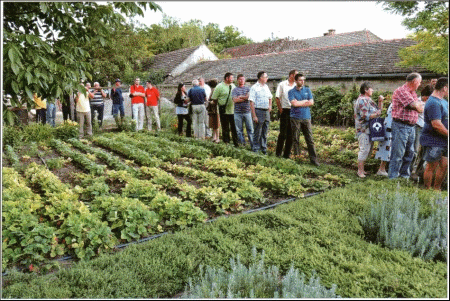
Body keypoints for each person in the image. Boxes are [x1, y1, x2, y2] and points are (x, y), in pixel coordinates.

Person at [388, 72, 424, 179]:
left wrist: (418, 106)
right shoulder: (401, 91)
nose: (420, 84)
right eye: (420, 82)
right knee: (398, 153)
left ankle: (404, 176)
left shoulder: (413, 93)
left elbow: (420, 108)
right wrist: (417, 106)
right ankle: (393, 177)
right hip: (400, 125)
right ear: (414, 81)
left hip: (411, 126)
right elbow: (414, 106)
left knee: (410, 153)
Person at [420, 77, 448, 190]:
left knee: (445, 165)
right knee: (431, 165)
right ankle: (428, 190)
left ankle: (437, 189)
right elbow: (436, 124)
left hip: (444, 140)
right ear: (445, 88)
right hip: (433, 140)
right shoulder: (433, 102)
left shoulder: (444, 101)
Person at [289, 73, 320, 166]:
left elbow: (311, 102)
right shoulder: (291, 91)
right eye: (300, 80)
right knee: (295, 139)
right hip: (295, 118)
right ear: (295, 81)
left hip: (306, 117)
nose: (302, 82)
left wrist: (299, 102)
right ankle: (297, 158)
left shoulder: (307, 90)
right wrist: (304, 102)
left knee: (310, 139)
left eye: (303, 80)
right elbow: (294, 104)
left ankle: (313, 160)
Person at [411, 85, 433, 178]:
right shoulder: (417, 101)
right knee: (415, 150)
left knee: (424, 152)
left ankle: (419, 171)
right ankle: (411, 170)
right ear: (425, 96)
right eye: (428, 97)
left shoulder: (430, 103)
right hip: (418, 127)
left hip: (427, 129)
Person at [275, 69, 298, 158]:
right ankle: (278, 153)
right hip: (285, 110)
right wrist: (280, 110)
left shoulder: (297, 86)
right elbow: (277, 98)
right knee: (283, 134)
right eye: (296, 75)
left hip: (294, 111)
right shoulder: (282, 84)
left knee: (291, 134)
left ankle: (286, 155)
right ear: (291, 75)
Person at [212, 72, 238, 146]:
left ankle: (236, 142)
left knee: (234, 127)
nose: (233, 79)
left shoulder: (233, 86)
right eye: (231, 78)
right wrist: (221, 104)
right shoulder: (219, 86)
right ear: (227, 78)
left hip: (232, 110)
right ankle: (226, 142)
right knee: (225, 127)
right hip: (223, 110)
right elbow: (214, 99)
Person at [249, 71, 272, 154]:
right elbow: (251, 102)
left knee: (265, 131)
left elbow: (270, 97)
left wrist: (270, 106)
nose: (267, 78)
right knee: (257, 131)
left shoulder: (266, 87)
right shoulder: (254, 87)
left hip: (266, 111)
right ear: (261, 78)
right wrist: (254, 115)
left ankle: (263, 148)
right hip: (258, 110)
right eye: (266, 77)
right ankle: (255, 148)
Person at [232, 74, 253, 148]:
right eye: (240, 79)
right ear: (237, 80)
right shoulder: (235, 89)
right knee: (239, 130)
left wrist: (240, 97)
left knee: (250, 129)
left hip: (247, 112)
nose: (242, 81)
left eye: (243, 79)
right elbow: (235, 100)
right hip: (238, 113)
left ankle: (252, 145)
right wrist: (245, 97)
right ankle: (242, 145)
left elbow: (249, 97)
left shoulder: (248, 89)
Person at [374, 97, 391, 177]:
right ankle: (381, 169)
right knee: (386, 148)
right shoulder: (395, 105)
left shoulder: (393, 104)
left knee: (386, 148)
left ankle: (382, 168)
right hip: (389, 129)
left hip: (388, 128)